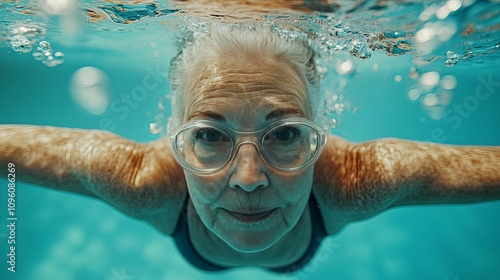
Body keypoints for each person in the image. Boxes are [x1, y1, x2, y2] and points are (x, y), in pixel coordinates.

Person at [1, 24, 499, 273]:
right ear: (173, 137)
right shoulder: (144, 180)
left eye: (284, 134)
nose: (247, 178)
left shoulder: (354, 180)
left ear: (319, 136)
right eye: (209, 136)